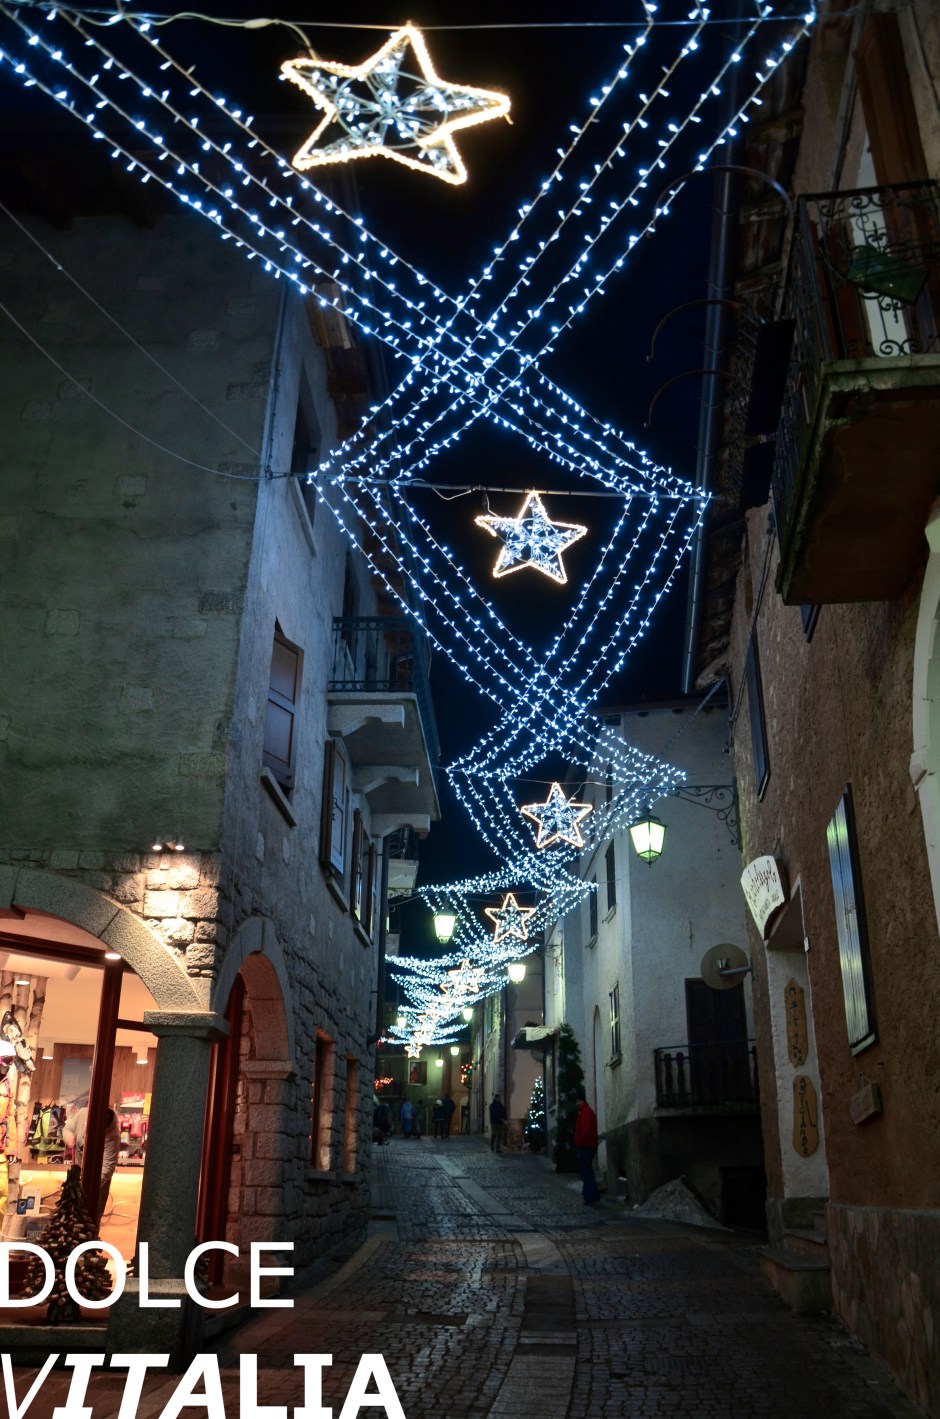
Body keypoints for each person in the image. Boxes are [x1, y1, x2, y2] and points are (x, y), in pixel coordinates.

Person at [63, 1103, 121, 1226]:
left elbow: (107, 1167)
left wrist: (87, 1187)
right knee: (69, 1221)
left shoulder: (113, 1135)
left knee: (89, 1224)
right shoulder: (83, 1113)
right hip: (77, 1175)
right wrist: (69, 1137)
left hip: (97, 1185)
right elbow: (67, 1128)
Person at [0, 1042, 19, 1220]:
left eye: (11, 1061)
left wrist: (12, 1147)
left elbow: (9, 1116)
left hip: (0, 1149)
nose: (9, 1065)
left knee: (3, 1192)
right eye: (6, 1060)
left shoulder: (6, 1086)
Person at [573, 1088, 600, 1205]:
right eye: (576, 1101)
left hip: (587, 1145)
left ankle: (591, 1195)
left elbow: (586, 1129)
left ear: (583, 1101)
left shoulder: (586, 1112)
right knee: (586, 1170)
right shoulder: (584, 1112)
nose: (577, 1103)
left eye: (579, 1101)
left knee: (586, 1170)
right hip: (586, 1145)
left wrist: (580, 1141)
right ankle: (590, 1195)